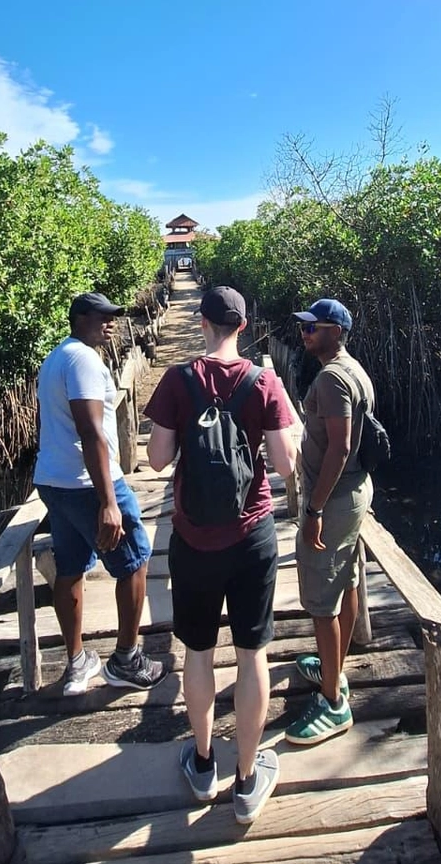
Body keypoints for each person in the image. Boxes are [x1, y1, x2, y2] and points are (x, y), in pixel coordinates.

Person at [145, 286, 300, 824]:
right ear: (242, 324)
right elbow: (283, 467)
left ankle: (205, 762)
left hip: (192, 538)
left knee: (199, 652)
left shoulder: (177, 379)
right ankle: (247, 779)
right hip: (252, 535)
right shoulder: (265, 381)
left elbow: (159, 460)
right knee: (252, 653)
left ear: (204, 323)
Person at [34, 291, 168, 696]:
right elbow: (90, 431)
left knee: (70, 566)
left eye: (113, 316)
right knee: (135, 563)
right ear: (78, 318)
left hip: (54, 482)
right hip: (88, 484)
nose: (110, 323)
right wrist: (109, 502)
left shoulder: (56, 357)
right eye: (101, 317)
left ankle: (77, 663)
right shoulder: (84, 361)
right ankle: (126, 660)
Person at [285, 297, 374, 746]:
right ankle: (333, 663)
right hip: (354, 491)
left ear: (336, 331)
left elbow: (339, 449)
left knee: (322, 599)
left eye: (313, 328)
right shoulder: (354, 369)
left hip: (334, 498)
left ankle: (333, 703)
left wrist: (314, 510)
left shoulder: (332, 379)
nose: (305, 335)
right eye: (303, 328)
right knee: (349, 583)